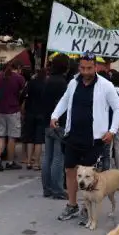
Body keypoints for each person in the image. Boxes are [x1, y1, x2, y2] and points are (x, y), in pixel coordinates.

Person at [50, 52, 119, 222]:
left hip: (95, 138)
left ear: (96, 67)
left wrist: (112, 130)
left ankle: (87, 208)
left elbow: (118, 108)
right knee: (70, 170)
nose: (85, 71)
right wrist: (54, 115)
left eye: (89, 68)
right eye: (82, 68)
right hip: (73, 135)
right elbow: (64, 100)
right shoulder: (73, 82)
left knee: (89, 175)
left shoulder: (106, 85)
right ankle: (72, 205)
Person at [41, 54, 69, 200]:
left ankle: (47, 188)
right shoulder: (62, 83)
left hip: (47, 121)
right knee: (58, 158)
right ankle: (57, 189)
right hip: (59, 123)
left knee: (47, 157)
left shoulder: (47, 80)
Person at [0, 62, 26, 171]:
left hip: (0, 110)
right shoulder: (19, 79)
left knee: (1, 136)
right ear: (18, 68)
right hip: (13, 110)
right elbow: (23, 95)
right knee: (12, 137)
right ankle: (10, 162)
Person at [21, 69, 47, 170]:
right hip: (41, 114)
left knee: (30, 138)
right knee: (39, 140)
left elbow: (23, 95)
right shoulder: (46, 84)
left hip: (30, 113)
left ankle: (28, 162)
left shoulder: (31, 83)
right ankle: (36, 163)